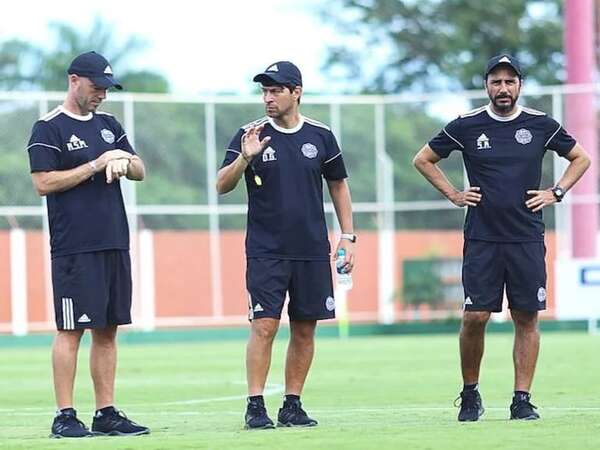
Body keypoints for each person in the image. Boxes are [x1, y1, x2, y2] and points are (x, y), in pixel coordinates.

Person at [413, 54, 590, 422]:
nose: (503, 88)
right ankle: (470, 394)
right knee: (475, 316)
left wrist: (555, 193)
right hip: (482, 237)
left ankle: (521, 399)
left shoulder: (540, 124)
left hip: (526, 237)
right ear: (486, 86)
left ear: (520, 86)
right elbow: (423, 159)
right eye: (496, 82)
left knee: (526, 317)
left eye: (510, 81)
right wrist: (454, 195)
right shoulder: (466, 125)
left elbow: (581, 158)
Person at [217, 61, 356, 429]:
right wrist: (245, 157)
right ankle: (255, 405)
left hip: (311, 249)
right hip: (266, 250)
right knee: (264, 325)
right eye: (264, 91)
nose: (268, 97)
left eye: (276, 90)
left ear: (296, 92)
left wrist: (348, 236)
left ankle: (292, 404)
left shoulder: (321, 135)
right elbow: (221, 185)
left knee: (305, 328)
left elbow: (338, 185)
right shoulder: (249, 134)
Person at [26, 51, 150, 438]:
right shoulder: (48, 128)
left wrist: (123, 161)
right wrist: (97, 164)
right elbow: (43, 183)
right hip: (74, 247)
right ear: (75, 80)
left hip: (114, 241)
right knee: (71, 329)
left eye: (107, 89)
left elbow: (141, 170)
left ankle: (106, 412)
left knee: (109, 330)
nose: (102, 96)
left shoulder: (110, 125)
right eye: (97, 87)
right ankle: (64, 415)